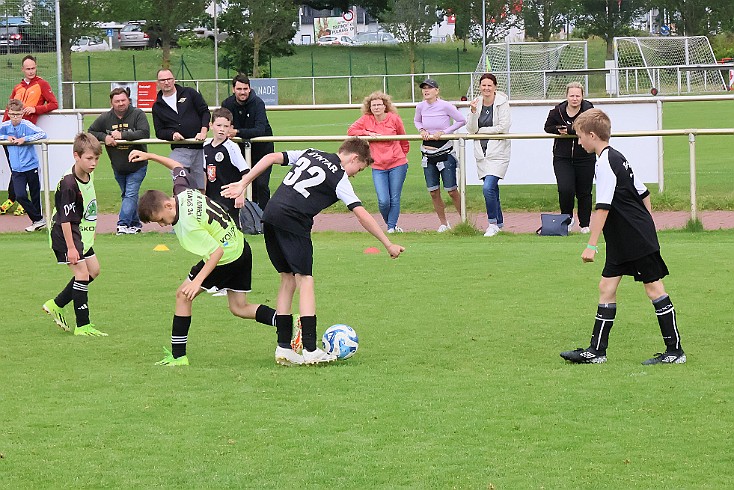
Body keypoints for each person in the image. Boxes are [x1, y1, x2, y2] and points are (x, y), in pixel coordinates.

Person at [221, 138, 405, 365]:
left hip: (270, 216)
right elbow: (362, 214)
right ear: (354, 158)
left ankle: (284, 347)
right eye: (360, 168)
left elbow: (270, 157)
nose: (356, 173)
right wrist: (387, 243)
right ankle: (310, 349)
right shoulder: (340, 177)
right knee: (305, 280)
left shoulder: (310, 152)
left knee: (287, 280)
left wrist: (243, 182)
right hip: (294, 221)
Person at [560, 109, 685, 365]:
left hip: (634, 238)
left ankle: (675, 352)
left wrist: (591, 245)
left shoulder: (606, 161)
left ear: (592, 135)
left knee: (654, 288)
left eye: (580, 136)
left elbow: (603, 207)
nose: (579, 141)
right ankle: (596, 352)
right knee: (606, 287)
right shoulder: (617, 157)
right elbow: (644, 192)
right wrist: (646, 221)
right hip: (622, 239)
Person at [132, 149, 278, 367]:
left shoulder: (187, 224)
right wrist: (151, 156)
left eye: (160, 219)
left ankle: (178, 357)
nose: (162, 225)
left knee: (183, 295)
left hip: (226, 257)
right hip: (240, 247)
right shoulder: (182, 192)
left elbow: (216, 252)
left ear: (168, 205)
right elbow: (177, 167)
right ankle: (286, 321)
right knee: (239, 307)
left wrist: (198, 282)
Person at [42, 133, 107, 337]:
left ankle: (56, 304)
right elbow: (65, 220)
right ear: (76, 156)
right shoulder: (69, 184)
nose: (93, 163)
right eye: (89, 158)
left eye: (96, 158)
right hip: (65, 235)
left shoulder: (88, 173)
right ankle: (83, 325)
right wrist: (71, 247)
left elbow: (88, 204)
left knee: (94, 271)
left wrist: (91, 229)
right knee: (82, 274)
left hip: (81, 233)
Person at [1, 55, 58, 217]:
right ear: (23, 69)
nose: (31, 71)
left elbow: (54, 104)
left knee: (28, 169)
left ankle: (22, 202)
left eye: (33, 68)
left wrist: (36, 109)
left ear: (36, 67)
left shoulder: (42, 84)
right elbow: (8, 109)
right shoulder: (18, 87)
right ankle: (14, 198)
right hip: (10, 135)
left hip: (26, 133)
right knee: (15, 168)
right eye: (28, 69)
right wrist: (4, 131)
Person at [88, 87, 150, 235]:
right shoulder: (105, 117)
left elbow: (144, 132)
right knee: (128, 195)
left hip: (137, 164)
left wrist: (122, 135)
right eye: (117, 101)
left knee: (130, 194)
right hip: (118, 166)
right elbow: (91, 131)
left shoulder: (138, 114)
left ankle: (122, 224)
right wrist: (105, 138)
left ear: (128, 100)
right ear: (111, 103)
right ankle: (134, 224)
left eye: (123, 100)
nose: (121, 103)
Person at [347, 91, 409, 233]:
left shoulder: (394, 118)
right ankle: (390, 224)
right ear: (370, 107)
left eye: (379, 105)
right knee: (383, 200)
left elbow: (404, 138)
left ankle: (391, 228)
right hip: (378, 165)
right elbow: (351, 130)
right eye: (373, 105)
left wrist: (402, 154)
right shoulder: (366, 119)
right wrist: (367, 133)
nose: (376, 108)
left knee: (394, 197)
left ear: (385, 106)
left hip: (397, 163)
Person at [413, 78, 466, 232]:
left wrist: (444, 132)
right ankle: (443, 223)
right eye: (424, 88)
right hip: (427, 153)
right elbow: (417, 121)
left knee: (451, 190)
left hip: (444, 151)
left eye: (429, 88)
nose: (426, 91)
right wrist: (421, 130)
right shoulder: (420, 107)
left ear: (437, 91)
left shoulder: (445, 106)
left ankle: (464, 220)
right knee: (433, 191)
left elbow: (461, 120)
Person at [544, 82, 596, 233]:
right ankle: (566, 219)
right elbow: (547, 127)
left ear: (582, 96)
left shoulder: (589, 109)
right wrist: (558, 129)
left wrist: (570, 129)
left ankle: (584, 224)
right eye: (572, 95)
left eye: (577, 96)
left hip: (585, 156)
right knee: (565, 189)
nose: (574, 99)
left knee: (584, 192)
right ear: (567, 96)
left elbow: (590, 125)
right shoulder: (557, 111)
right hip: (562, 157)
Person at [466, 73, 511, 237]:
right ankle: (499, 223)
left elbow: (504, 126)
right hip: (481, 153)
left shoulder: (502, 103)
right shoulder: (476, 103)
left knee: (487, 188)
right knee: (492, 189)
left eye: (489, 85)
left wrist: (483, 131)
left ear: (495, 87)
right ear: (480, 87)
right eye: (483, 85)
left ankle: (492, 223)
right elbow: (471, 129)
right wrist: (472, 112)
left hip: (498, 152)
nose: (486, 88)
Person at [221, 74, 274, 210]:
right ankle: (239, 216)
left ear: (250, 89)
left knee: (261, 185)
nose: (243, 92)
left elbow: (260, 130)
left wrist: (237, 132)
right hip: (239, 151)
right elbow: (223, 125)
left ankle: (264, 217)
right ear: (233, 89)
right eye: (239, 89)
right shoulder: (227, 104)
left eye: (245, 88)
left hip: (262, 151)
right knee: (236, 183)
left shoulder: (258, 103)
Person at [152, 69, 210, 192]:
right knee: (181, 188)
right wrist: (172, 134)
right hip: (179, 151)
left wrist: (203, 131)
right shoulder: (157, 106)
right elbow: (159, 131)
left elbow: (205, 111)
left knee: (201, 188)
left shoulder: (189, 93)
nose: (166, 82)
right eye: (163, 80)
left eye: (169, 79)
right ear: (158, 83)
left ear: (174, 80)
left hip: (199, 148)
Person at [0, 99, 47, 232]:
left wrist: (24, 139)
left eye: (18, 114)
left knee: (35, 194)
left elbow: (42, 134)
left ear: (22, 113)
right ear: (8, 113)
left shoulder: (27, 125)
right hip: (16, 169)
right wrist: (5, 137)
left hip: (31, 166)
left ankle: (37, 223)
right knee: (20, 195)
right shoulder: (5, 126)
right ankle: (39, 219)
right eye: (13, 114)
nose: (15, 118)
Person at [203, 107, 249, 224]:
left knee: (232, 230)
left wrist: (240, 194)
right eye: (219, 125)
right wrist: (202, 195)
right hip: (211, 197)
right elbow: (205, 172)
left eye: (226, 126)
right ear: (211, 125)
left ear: (230, 127)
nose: (222, 129)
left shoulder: (231, 147)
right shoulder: (205, 146)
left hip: (229, 198)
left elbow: (245, 172)